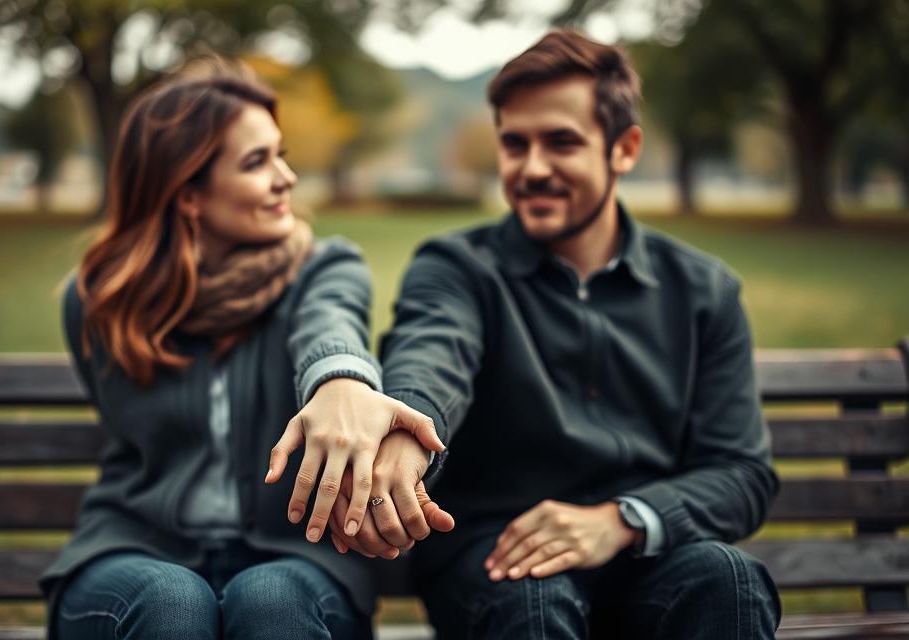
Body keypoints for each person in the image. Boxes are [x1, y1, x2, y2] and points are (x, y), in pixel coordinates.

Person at [327, 29, 781, 638]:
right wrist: (410, 436)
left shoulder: (704, 291)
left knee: (728, 579)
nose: (533, 168)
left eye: (561, 142)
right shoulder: (456, 268)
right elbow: (433, 356)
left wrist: (620, 520)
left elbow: (741, 472)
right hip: (495, 556)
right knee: (532, 599)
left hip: (644, 555)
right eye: (515, 144)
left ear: (624, 149)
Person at [39, 61, 447, 640]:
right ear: (188, 193)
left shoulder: (324, 266)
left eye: (282, 155)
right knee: (173, 604)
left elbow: (330, 323)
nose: (286, 178)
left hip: (296, 559)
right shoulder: (99, 302)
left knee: (270, 602)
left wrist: (340, 383)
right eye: (257, 162)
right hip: (131, 550)